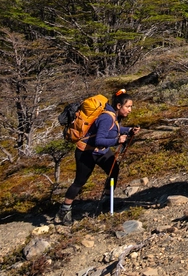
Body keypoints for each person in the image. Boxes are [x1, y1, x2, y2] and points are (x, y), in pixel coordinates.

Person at [56, 90, 139, 225]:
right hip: (86, 152)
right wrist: (117, 141)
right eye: (128, 106)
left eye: (131, 107)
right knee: (79, 182)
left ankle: (106, 198)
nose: (130, 110)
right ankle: (64, 209)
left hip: (100, 152)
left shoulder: (113, 115)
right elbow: (99, 140)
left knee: (114, 170)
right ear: (119, 106)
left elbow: (114, 129)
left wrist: (129, 130)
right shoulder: (107, 117)